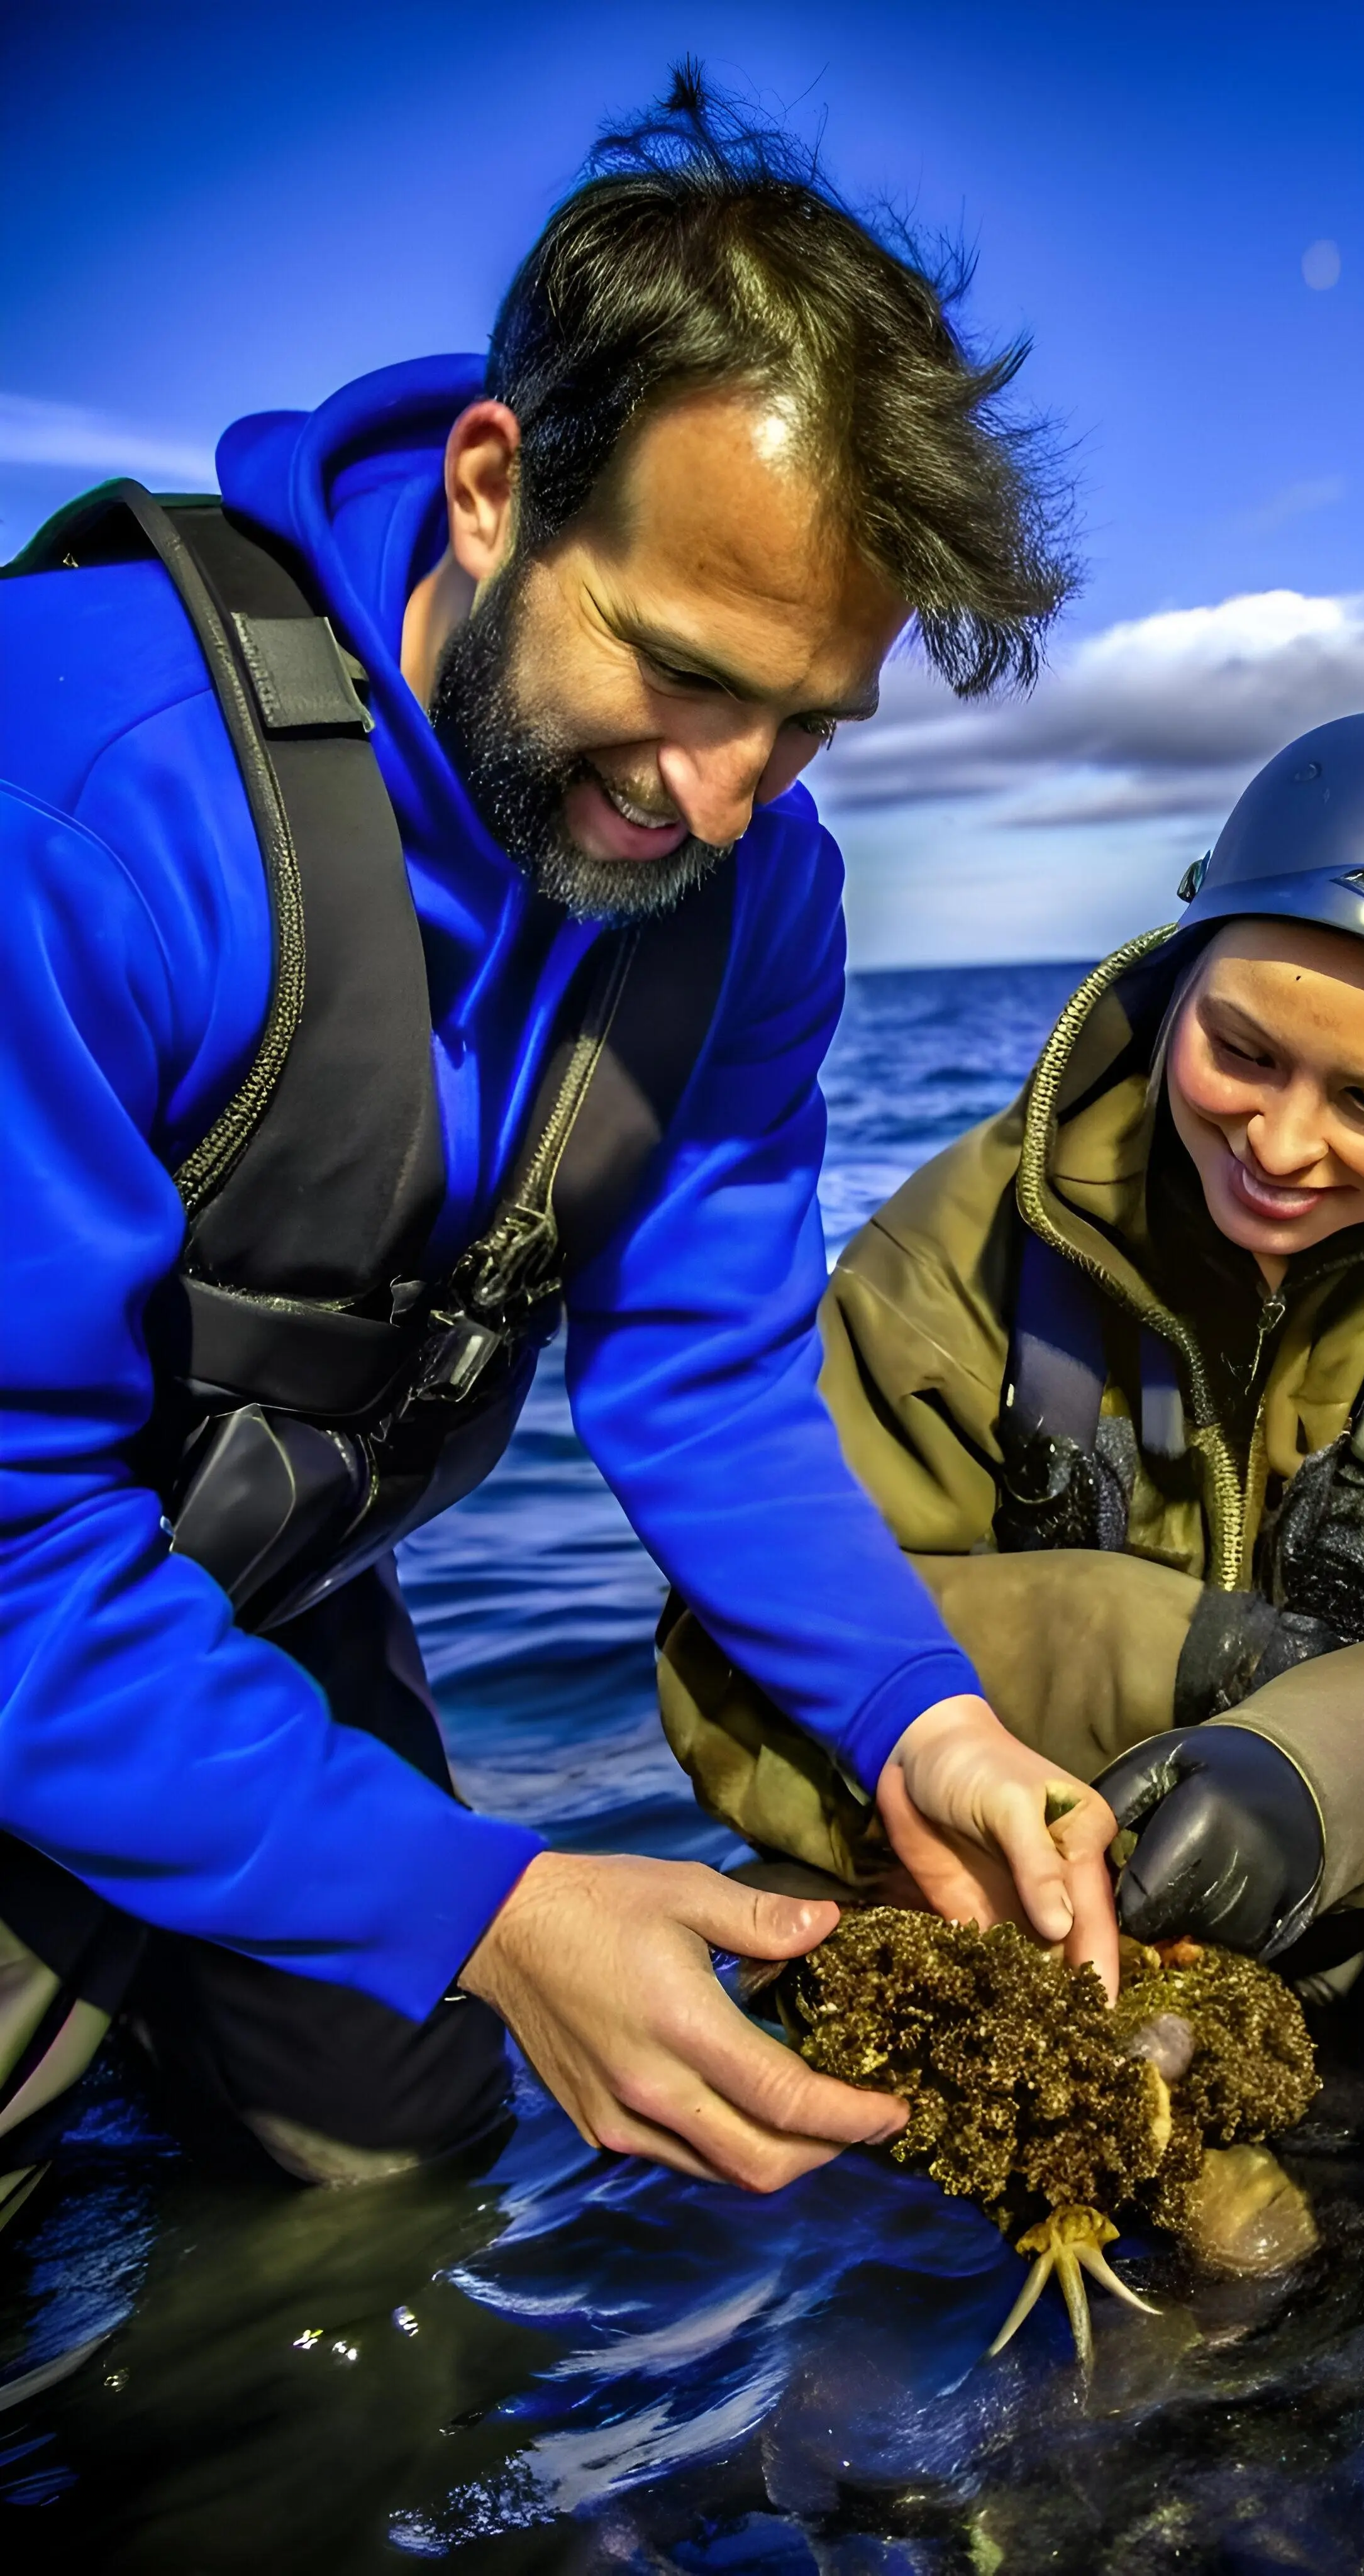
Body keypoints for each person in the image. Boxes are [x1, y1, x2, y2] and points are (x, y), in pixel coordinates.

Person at [0, 74, 1122, 2214]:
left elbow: (700, 1378)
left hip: (258, 1594)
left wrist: (925, 1722)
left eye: (805, 720)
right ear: (498, 489)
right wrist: (500, 1909)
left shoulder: (760, 896)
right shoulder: (64, 798)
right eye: (686, 674)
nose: (720, 795)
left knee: (399, 2155)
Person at [658, 713, 1364, 1967]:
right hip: (985, 1893)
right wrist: (1195, 1666)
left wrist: (1299, 1778)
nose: (1279, 1145)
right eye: (1240, 1051)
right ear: (1174, 977)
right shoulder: (963, 1239)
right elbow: (736, 1635)